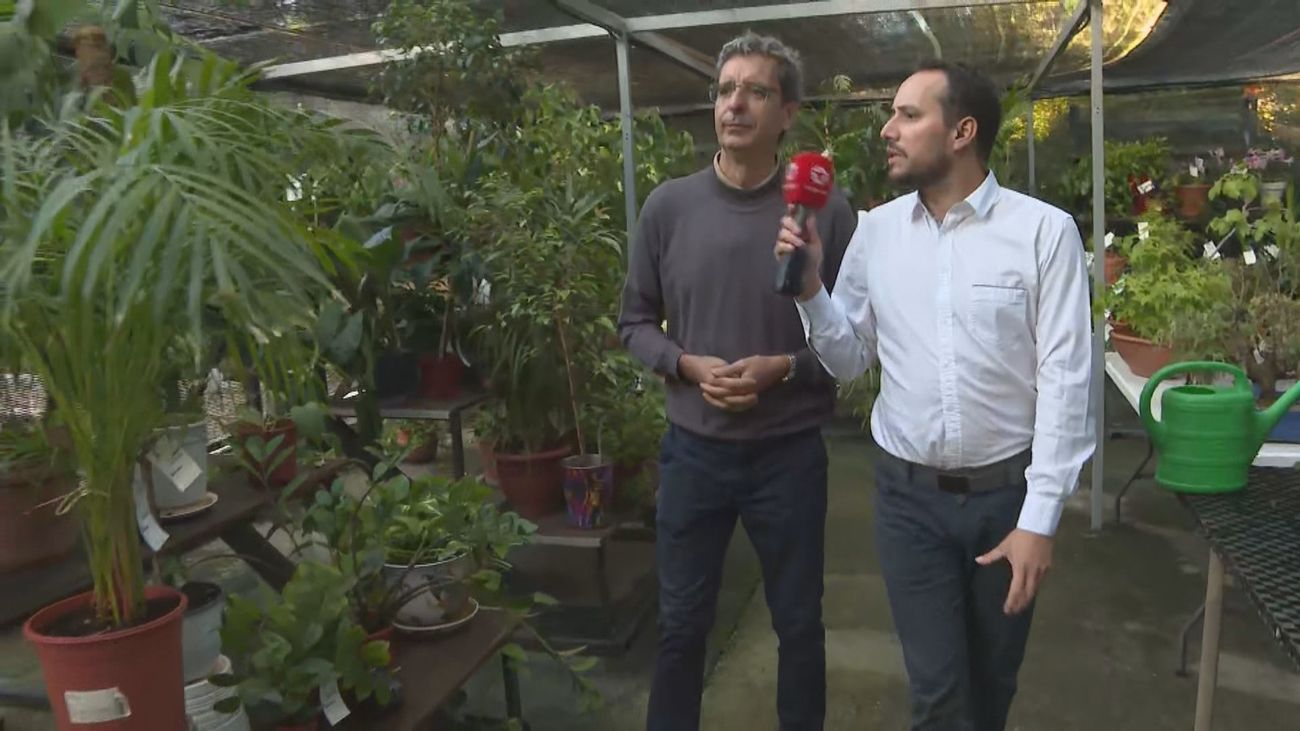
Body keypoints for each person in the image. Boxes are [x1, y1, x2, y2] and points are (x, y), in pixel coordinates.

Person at [775, 60, 1095, 730]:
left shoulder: (1044, 232)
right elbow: (849, 357)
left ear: (962, 131)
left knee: (992, 684)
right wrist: (810, 291)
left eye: (908, 115)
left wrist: (1039, 519)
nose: (888, 130)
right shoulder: (877, 231)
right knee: (939, 694)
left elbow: (1068, 378)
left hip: (1007, 500)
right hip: (907, 502)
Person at [618, 32, 856, 731]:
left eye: (756, 91)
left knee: (799, 628)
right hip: (693, 452)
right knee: (681, 626)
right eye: (726, 90)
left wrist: (783, 368)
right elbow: (633, 320)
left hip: (789, 455)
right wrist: (686, 365)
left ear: (787, 112)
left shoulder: (825, 210)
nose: (736, 103)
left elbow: (853, 342)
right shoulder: (669, 207)